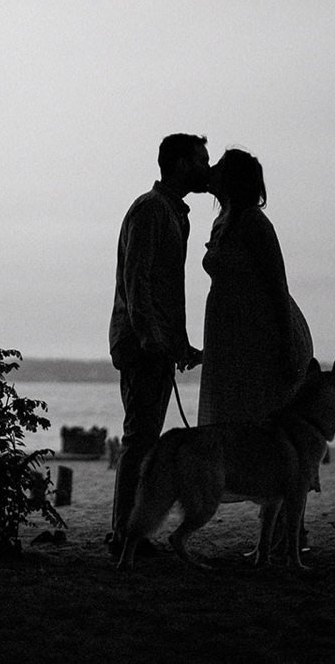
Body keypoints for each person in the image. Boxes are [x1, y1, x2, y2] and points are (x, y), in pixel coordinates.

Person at [107, 132, 209, 549]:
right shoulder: (152, 211)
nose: (207, 168)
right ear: (182, 164)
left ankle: (127, 531)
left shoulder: (172, 212)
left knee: (144, 438)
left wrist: (180, 345)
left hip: (155, 345)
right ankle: (123, 533)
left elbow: (168, 290)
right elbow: (138, 280)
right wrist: (151, 338)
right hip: (142, 346)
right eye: (201, 160)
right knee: (139, 440)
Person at [197, 147, 314, 428]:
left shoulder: (253, 223)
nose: (211, 170)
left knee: (254, 422)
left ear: (232, 179)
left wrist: (286, 348)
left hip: (259, 336)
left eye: (220, 166)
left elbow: (277, 285)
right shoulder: (222, 222)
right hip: (235, 337)